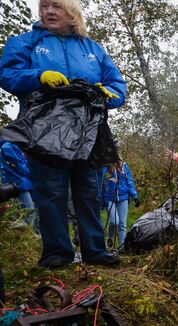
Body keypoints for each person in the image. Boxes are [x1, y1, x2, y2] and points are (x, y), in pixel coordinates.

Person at [0, 0, 127, 267]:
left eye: (56, 6)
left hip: (88, 129)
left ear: (72, 13)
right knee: (50, 191)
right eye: (44, 6)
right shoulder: (26, 42)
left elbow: (117, 85)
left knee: (89, 190)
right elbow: (8, 73)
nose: (48, 11)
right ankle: (57, 253)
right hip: (44, 126)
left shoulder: (92, 49)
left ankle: (95, 251)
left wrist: (108, 95)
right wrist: (39, 76)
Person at [0, 140, 37, 230]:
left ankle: (16, 232)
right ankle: (14, 232)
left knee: (26, 214)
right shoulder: (8, 146)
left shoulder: (8, 146)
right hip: (19, 184)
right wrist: (35, 172)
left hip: (17, 184)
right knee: (29, 215)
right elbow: (22, 169)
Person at [102, 157, 139, 248]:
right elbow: (101, 182)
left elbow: (129, 181)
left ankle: (121, 247)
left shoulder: (124, 166)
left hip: (123, 197)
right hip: (109, 198)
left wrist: (135, 196)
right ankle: (110, 237)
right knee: (115, 221)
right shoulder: (105, 167)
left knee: (122, 223)